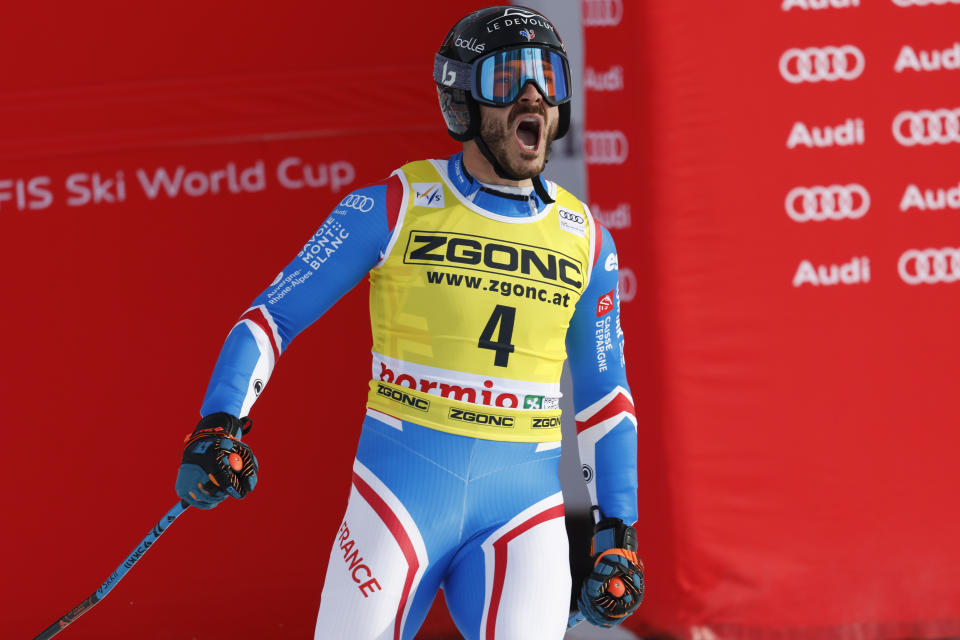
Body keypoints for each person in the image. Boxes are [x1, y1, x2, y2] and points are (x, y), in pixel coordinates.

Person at [174, 6, 643, 639]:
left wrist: (618, 532)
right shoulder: (395, 204)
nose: (532, 94)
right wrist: (219, 421)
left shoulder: (587, 239)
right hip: (396, 500)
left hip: (523, 514)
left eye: (548, 76)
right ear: (462, 101)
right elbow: (272, 317)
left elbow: (604, 397)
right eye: (507, 78)